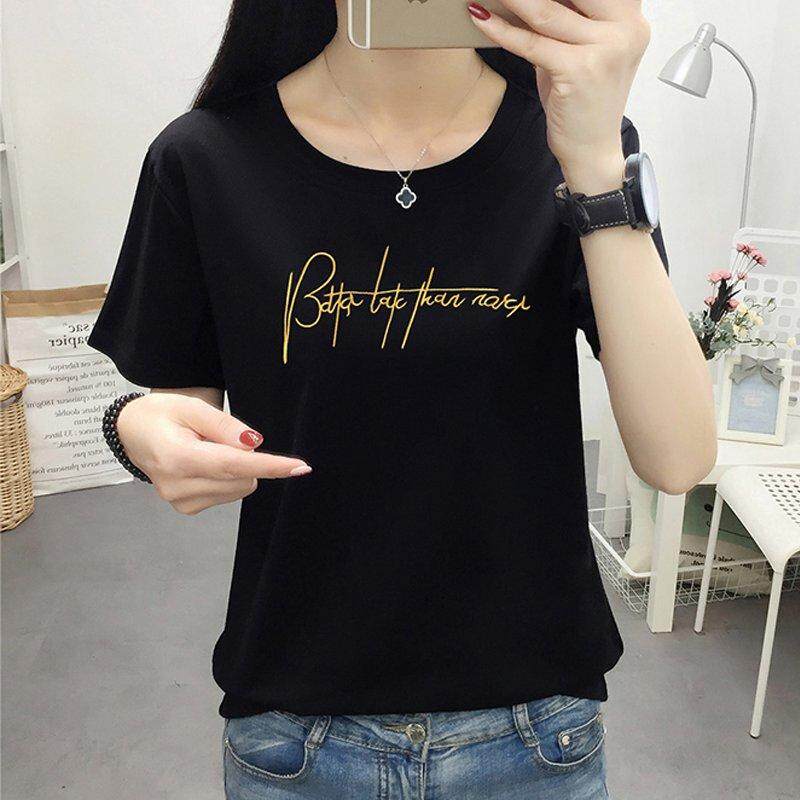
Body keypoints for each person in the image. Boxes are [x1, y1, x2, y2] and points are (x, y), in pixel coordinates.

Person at [87, 0, 717, 797]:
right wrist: (135, 426)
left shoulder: (575, 146)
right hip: (297, 731)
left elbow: (678, 458)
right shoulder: (204, 158)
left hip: (535, 726)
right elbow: (181, 415)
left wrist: (593, 158)